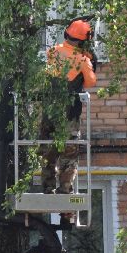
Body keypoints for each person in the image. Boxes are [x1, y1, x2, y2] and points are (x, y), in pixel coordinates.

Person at [38, 18, 98, 195]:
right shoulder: (83, 60)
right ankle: (65, 189)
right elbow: (90, 83)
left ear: (67, 33)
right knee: (69, 153)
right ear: (84, 41)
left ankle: (47, 187)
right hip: (70, 115)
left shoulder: (53, 52)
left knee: (48, 152)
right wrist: (90, 61)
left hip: (49, 113)